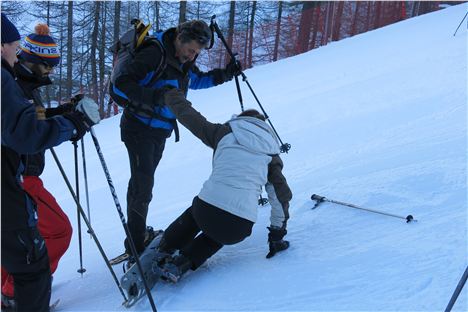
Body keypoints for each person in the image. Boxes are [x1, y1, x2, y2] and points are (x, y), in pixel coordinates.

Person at [109, 19, 242, 256]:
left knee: (143, 183)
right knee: (143, 185)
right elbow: (120, 86)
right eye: (191, 50)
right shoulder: (154, 54)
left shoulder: (183, 59)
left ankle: (136, 235)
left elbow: (197, 80)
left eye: (197, 53)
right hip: (138, 128)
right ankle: (135, 244)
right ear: (179, 39)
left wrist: (225, 74)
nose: (193, 56)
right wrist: (156, 97)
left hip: (159, 130)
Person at [1, 13, 100, 311]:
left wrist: (66, 113)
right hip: (18, 180)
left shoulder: (20, 83)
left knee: (18, 245)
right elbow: (25, 132)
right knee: (58, 231)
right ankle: (15, 292)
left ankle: (12, 288)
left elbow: (33, 120)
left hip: (20, 176)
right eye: (45, 64)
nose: (49, 71)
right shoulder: (10, 81)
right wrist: (73, 123)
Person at [153, 88, 292, 283]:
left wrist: (171, 96)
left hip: (205, 210)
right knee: (218, 234)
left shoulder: (224, 133)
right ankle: (181, 263)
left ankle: (165, 246)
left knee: (195, 214)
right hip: (239, 226)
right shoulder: (271, 156)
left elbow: (191, 118)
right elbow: (280, 197)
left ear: (240, 121)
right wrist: (277, 235)